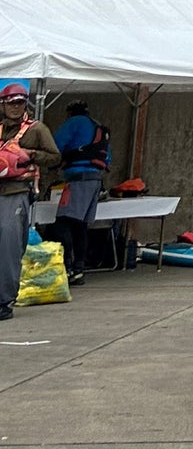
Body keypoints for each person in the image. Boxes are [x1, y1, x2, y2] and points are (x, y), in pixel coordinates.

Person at [0, 83, 60, 320]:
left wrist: (31, 155)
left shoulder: (37, 130)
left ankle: (4, 301)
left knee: (8, 244)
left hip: (16, 192)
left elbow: (55, 157)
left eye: (20, 103)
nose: (16, 107)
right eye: (11, 103)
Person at [52, 97, 111, 287]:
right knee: (80, 226)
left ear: (70, 112)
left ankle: (68, 267)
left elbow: (55, 146)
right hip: (95, 181)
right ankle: (78, 270)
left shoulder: (73, 123)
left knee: (62, 223)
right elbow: (107, 157)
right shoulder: (97, 126)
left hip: (78, 179)